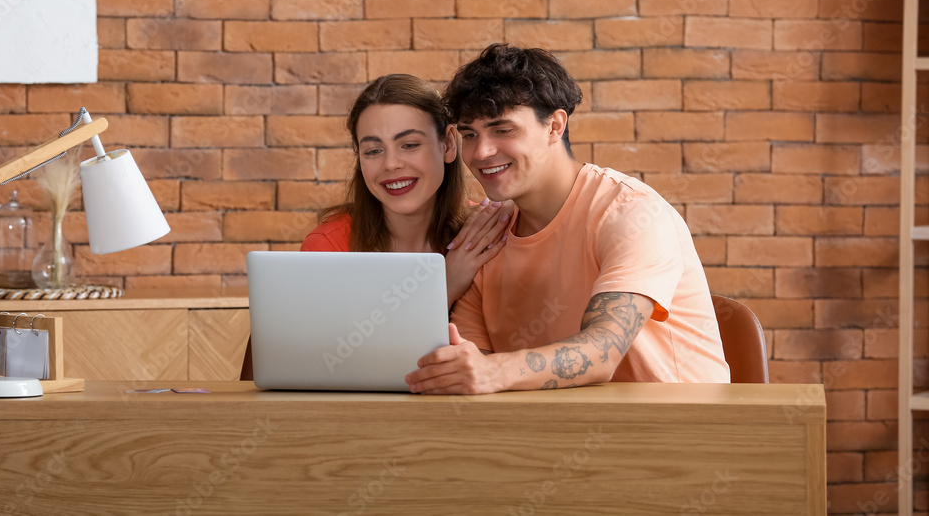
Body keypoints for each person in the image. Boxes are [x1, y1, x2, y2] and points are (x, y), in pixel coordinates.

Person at [405, 44, 731, 395]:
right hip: (555, 435)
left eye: (503, 130)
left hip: (681, 434)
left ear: (554, 126)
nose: (481, 152)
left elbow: (602, 350)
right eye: (470, 134)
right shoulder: (485, 234)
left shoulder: (632, 213)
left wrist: (493, 371)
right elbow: (474, 371)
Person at [301, 73, 512, 307]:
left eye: (410, 145)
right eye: (373, 151)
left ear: (449, 144)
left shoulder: (482, 235)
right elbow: (330, 343)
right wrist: (445, 288)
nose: (391, 164)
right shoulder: (328, 247)